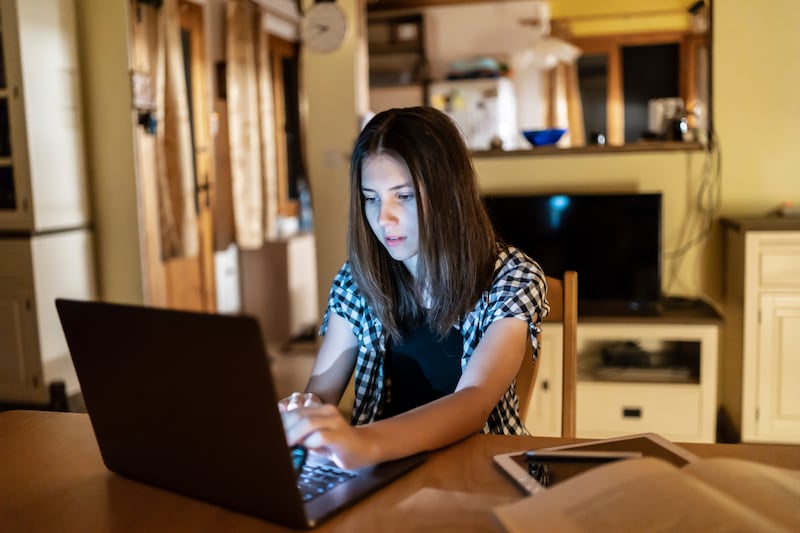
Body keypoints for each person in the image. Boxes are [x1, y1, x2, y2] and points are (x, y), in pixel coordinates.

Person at [280, 106, 548, 470]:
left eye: (403, 196)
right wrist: (303, 415)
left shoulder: (511, 277)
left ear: (447, 193)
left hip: (483, 473)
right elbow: (321, 394)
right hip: (382, 472)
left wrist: (364, 442)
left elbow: (474, 401)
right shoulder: (358, 280)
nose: (382, 218)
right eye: (371, 198)